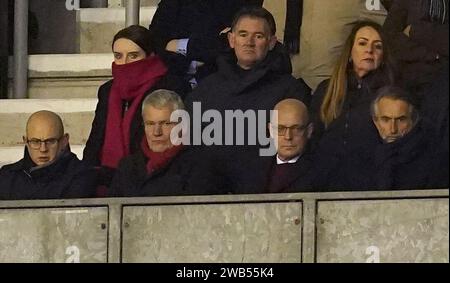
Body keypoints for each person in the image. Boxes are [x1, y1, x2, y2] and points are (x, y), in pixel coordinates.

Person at [184, 7, 311, 194]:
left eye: (258, 36)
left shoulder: (291, 90)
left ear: (272, 42)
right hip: (210, 201)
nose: (249, 42)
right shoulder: (206, 89)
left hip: (268, 199)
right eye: (243, 34)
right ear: (231, 39)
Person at [83, 25, 188, 195]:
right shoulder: (107, 90)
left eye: (133, 56)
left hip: (147, 179)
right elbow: (96, 139)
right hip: (106, 182)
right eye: (118, 56)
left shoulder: (170, 86)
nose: (124, 63)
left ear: (150, 56)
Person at [310, 20, 396, 189]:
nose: (369, 50)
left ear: (383, 57)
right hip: (325, 187)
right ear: (350, 52)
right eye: (362, 43)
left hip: (373, 189)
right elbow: (313, 140)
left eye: (377, 46)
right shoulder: (326, 90)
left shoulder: (392, 96)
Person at [325, 86, 448, 190]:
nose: (393, 129)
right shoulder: (356, 160)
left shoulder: (434, 160)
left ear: (413, 120)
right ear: (375, 121)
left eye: (401, 120)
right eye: (386, 120)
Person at [110, 90, 216, 197]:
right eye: (150, 124)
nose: (157, 132)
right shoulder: (127, 167)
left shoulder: (199, 167)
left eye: (165, 123)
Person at [148, 0, 263, 89]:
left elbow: (239, 39)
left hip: (224, 83)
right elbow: (157, 38)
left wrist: (182, 46)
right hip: (172, 80)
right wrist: (185, 63)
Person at [0, 111, 96, 200]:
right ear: (25, 141)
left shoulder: (81, 175)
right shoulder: (8, 176)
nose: (43, 149)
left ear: (64, 141)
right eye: (35, 141)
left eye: (50, 141)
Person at [383, 0, 449, 92]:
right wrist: (430, 55)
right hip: (410, 72)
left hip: (444, 72)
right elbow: (389, 36)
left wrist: (414, 31)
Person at [258, 98, 314, 193]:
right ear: (270, 130)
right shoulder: (251, 169)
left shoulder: (324, 171)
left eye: (296, 129)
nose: (288, 136)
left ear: (309, 130)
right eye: (280, 129)